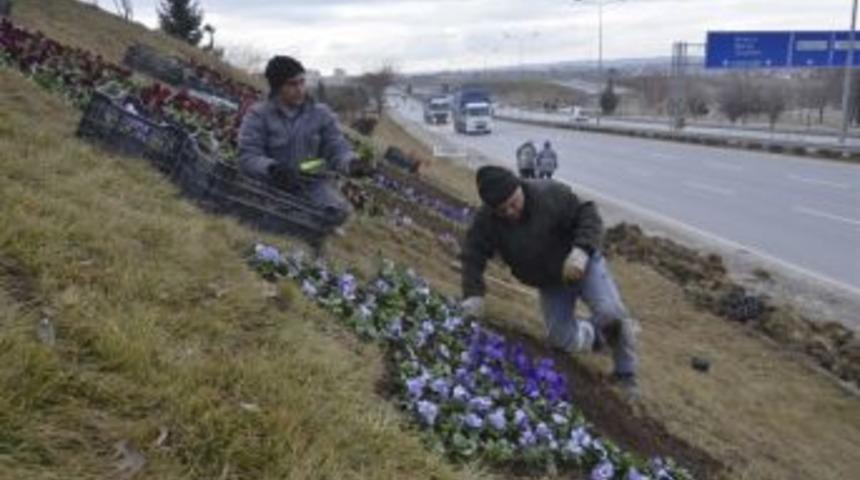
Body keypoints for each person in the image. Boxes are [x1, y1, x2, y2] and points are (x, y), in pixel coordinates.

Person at [459, 165, 638, 392]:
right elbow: (472, 255)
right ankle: (596, 337)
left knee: (611, 312)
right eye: (502, 210)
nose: (510, 212)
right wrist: (473, 295)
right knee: (560, 338)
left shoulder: (548, 194)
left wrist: (581, 251)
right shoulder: (487, 222)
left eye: (513, 204)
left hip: (580, 264)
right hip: (550, 282)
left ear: (519, 188)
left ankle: (625, 373)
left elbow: (589, 214)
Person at [238, 55, 371, 228]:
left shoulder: (321, 114)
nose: (300, 89)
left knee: (338, 212)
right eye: (292, 84)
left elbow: (337, 147)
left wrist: (351, 163)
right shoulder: (258, 115)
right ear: (277, 87)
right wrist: (272, 168)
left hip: (311, 184)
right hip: (271, 183)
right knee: (269, 216)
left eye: (302, 82)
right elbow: (248, 157)